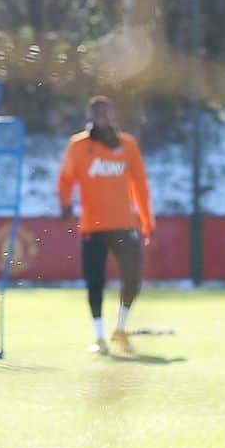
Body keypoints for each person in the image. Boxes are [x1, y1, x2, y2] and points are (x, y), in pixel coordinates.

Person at [56, 96, 154, 355]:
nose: (101, 118)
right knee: (94, 281)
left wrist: (146, 221)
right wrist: (65, 203)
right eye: (96, 113)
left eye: (105, 113)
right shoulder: (79, 146)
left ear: (113, 116)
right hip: (93, 227)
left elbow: (140, 186)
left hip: (124, 225)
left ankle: (120, 329)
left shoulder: (127, 145)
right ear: (89, 117)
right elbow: (65, 179)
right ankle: (99, 337)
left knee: (132, 278)